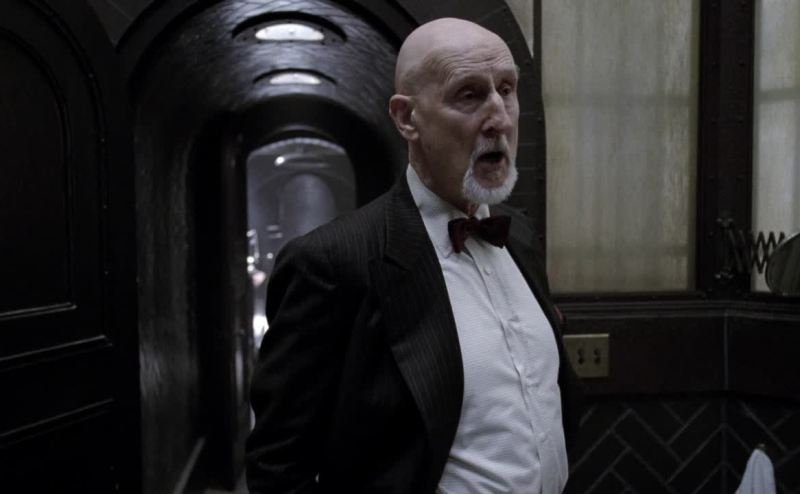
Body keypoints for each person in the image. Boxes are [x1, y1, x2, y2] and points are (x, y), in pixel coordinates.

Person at [246, 17, 582, 494]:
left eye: (506, 90)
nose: (500, 119)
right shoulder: (332, 263)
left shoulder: (520, 236)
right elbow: (279, 467)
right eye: (469, 94)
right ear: (407, 118)